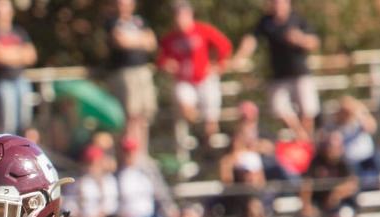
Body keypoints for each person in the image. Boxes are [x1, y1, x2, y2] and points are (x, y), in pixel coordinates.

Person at [235, 0, 320, 141]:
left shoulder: (297, 19)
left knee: (307, 112)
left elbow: (314, 42)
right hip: (278, 76)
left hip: (300, 73)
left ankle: (305, 146)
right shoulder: (266, 22)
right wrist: (240, 56)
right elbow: (251, 39)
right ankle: (302, 138)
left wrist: (300, 39)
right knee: (279, 109)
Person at [157, 1, 232, 140]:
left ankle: (206, 144)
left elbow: (224, 45)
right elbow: (161, 59)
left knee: (211, 122)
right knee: (186, 110)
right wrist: (167, 65)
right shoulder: (170, 38)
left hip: (204, 79)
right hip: (184, 81)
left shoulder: (202, 30)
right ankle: (196, 133)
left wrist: (219, 65)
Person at [0, 0, 36, 136]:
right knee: (7, 124)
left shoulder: (19, 31)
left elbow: (31, 55)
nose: (1, 14)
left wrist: (7, 53)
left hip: (20, 81)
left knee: (25, 124)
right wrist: (19, 53)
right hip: (0, 83)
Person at [104, 0, 158, 137]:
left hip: (142, 71)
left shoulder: (140, 21)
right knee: (130, 115)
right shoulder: (113, 22)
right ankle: (129, 153)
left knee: (144, 115)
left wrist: (132, 40)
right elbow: (121, 42)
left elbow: (152, 42)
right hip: (125, 73)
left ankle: (141, 153)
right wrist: (141, 40)